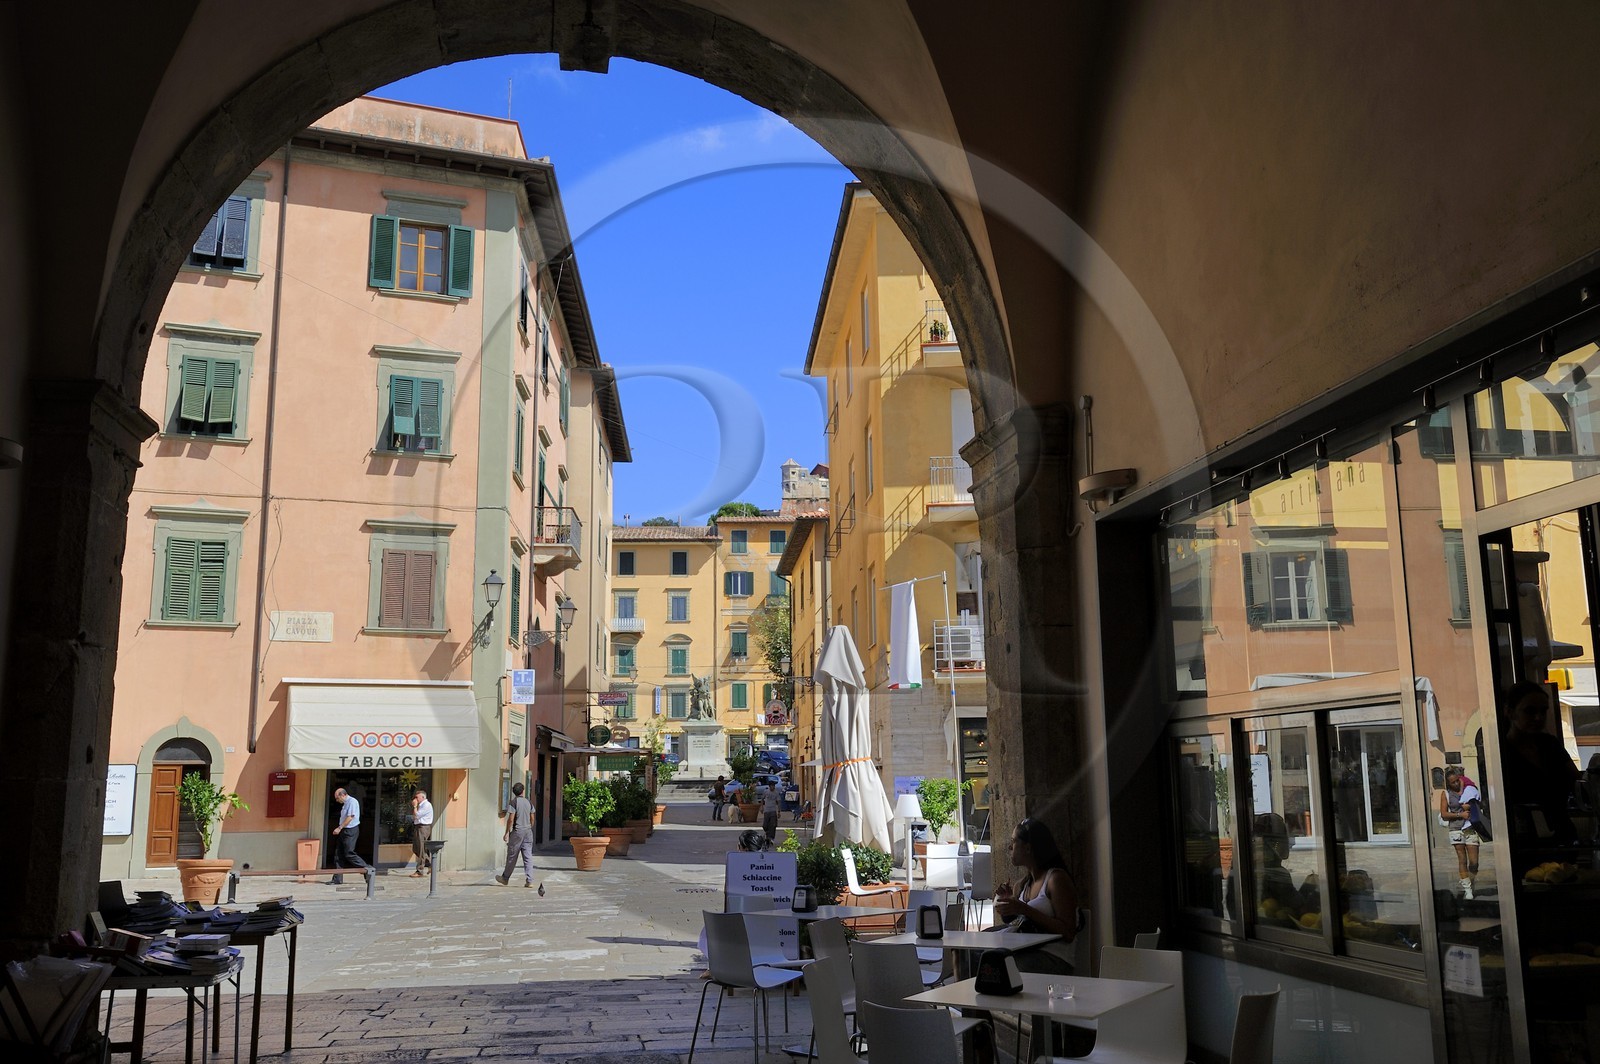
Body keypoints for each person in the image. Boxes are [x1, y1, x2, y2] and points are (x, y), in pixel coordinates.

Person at [991, 817, 1080, 974]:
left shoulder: (1055, 879)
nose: (1010, 847)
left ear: (1027, 848)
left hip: (1054, 957)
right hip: (1024, 951)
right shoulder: (1022, 885)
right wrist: (1007, 905)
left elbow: (1068, 932)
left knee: (996, 964)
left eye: (1013, 841)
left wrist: (1024, 909)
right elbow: (1016, 922)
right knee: (967, 954)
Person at [1501, 680, 1580, 845]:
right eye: (1529, 711)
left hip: (1562, 835)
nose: (1538, 717)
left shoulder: (1551, 745)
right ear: (1510, 712)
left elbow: (1576, 781)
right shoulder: (1502, 752)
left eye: (1543, 711)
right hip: (1522, 841)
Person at [1438, 767, 1483, 899]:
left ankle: (1470, 880)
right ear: (1448, 784)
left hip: (1470, 828)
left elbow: (1478, 803)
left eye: (1457, 780)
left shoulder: (1469, 788)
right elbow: (1444, 814)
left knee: (1474, 862)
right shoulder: (1445, 794)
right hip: (1456, 829)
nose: (1456, 783)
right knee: (1462, 859)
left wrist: (1472, 805)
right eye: (1453, 782)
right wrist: (1459, 814)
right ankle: (1467, 888)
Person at [496, 782, 535, 887]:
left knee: (512, 856)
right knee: (528, 856)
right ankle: (529, 880)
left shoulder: (513, 803)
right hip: (528, 831)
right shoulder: (529, 802)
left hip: (517, 831)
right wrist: (529, 827)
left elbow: (511, 819)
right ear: (523, 791)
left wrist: (507, 833)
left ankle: (505, 878)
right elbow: (532, 818)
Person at [329, 786, 368, 885]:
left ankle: (368, 869)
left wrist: (339, 828)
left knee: (349, 853)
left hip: (350, 831)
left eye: (337, 798)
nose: (337, 801)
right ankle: (337, 879)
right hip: (344, 831)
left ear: (343, 795)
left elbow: (350, 817)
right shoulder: (346, 803)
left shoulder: (352, 802)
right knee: (338, 854)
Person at [410, 789, 434, 877]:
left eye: (417, 797)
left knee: (420, 849)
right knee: (416, 849)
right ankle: (430, 865)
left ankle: (419, 870)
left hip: (423, 827)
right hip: (418, 827)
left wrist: (414, 807)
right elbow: (415, 817)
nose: (415, 799)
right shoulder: (421, 805)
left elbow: (417, 815)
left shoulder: (426, 805)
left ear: (423, 797)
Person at [759, 779, 781, 843]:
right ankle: (767, 834)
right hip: (766, 810)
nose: (773, 787)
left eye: (773, 786)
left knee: (773, 825)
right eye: (771, 786)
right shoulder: (766, 792)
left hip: (773, 811)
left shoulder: (776, 793)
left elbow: (779, 802)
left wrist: (779, 811)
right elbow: (762, 799)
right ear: (769, 786)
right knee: (765, 825)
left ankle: (771, 838)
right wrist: (761, 807)